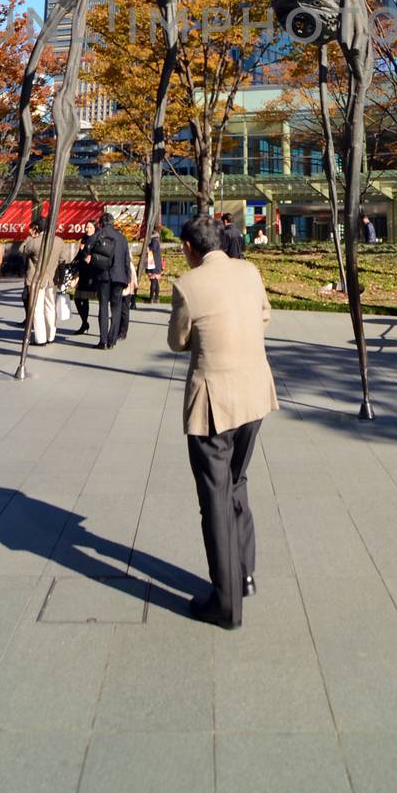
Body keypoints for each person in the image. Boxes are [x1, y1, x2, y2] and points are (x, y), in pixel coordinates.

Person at [167, 213, 278, 630]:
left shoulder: (187, 284)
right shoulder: (249, 270)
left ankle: (226, 603)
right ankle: (245, 573)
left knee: (213, 495)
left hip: (214, 400)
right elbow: (265, 315)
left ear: (190, 248)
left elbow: (177, 341)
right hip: (255, 392)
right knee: (237, 481)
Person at [21, 217, 74, 346]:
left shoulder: (34, 242)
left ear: (37, 228)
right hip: (52, 279)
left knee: (37, 309)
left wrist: (29, 237)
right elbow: (63, 259)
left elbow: (22, 249)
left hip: (37, 279)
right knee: (50, 307)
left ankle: (40, 339)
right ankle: (51, 336)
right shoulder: (59, 241)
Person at [88, 211, 132, 350]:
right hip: (119, 277)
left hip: (103, 276)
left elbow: (87, 248)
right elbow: (127, 260)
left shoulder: (99, 234)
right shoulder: (122, 238)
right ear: (113, 223)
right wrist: (128, 278)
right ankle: (112, 340)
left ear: (101, 223)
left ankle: (103, 341)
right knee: (116, 308)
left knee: (103, 308)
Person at [70, 220, 96, 334]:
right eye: (86, 227)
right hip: (82, 271)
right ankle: (84, 322)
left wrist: (88, 255)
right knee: (79, 298)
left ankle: (86, 324)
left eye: (90, 227)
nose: (87, 229)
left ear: (95, 228)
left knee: (84, 298)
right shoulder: (84, 238)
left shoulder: (96, 238)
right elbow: (79, 254)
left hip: (92, 272)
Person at [145, 226, 164, 303]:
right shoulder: (157, 241)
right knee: (156, 282)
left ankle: (151, 298)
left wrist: (147, 247)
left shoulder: (154, 241)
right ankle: (157, 298)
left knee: (153, 281)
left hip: (153, 264)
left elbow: (150, 251)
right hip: (158, 264)